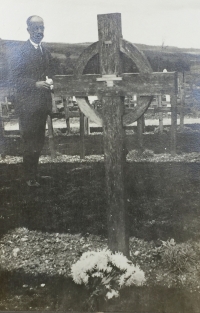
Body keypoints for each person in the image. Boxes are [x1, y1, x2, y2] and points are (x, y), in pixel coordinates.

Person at [13, 15, 55, 187]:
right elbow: (15, 79)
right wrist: (35, 84)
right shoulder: (21, 52)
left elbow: (49, 74)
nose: (39, 32)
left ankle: (35, 174)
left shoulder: (45, 52)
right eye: (35, 28)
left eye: (42, 28)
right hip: (27, 106)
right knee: (29, 140)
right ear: (28, 29)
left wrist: (50, 82)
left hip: (41, 106)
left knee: (38, 141)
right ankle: (29, 177)